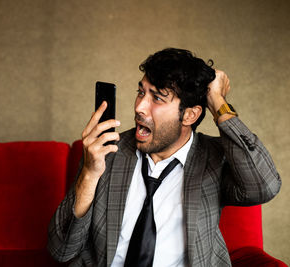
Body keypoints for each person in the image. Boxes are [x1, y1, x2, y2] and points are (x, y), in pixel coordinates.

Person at [47, 48, 281, 267]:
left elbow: (265, 186)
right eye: (141, 92)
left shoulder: (213, 158)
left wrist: (217, 101)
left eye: (157, 97)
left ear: (190, 115)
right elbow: (61, 250)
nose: (140, 106)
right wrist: (89, 173)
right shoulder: (106, 151)